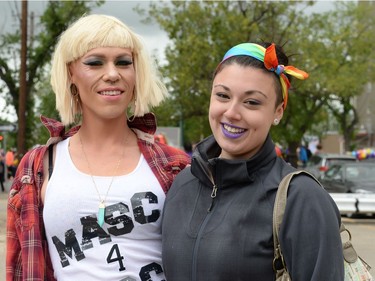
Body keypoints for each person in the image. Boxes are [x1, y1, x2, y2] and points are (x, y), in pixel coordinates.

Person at [6, 14, 190, 281]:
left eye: (124, 63)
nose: (113, 74)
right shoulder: (38, 166)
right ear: (71, 73)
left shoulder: (175, 165)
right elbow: (19, 266)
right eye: (95, 62)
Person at [162, 42, 344, 280]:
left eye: (252, 102)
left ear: (278, 111)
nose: (231, 113)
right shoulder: (182, 185)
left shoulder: (300, 198)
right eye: (223, 96)